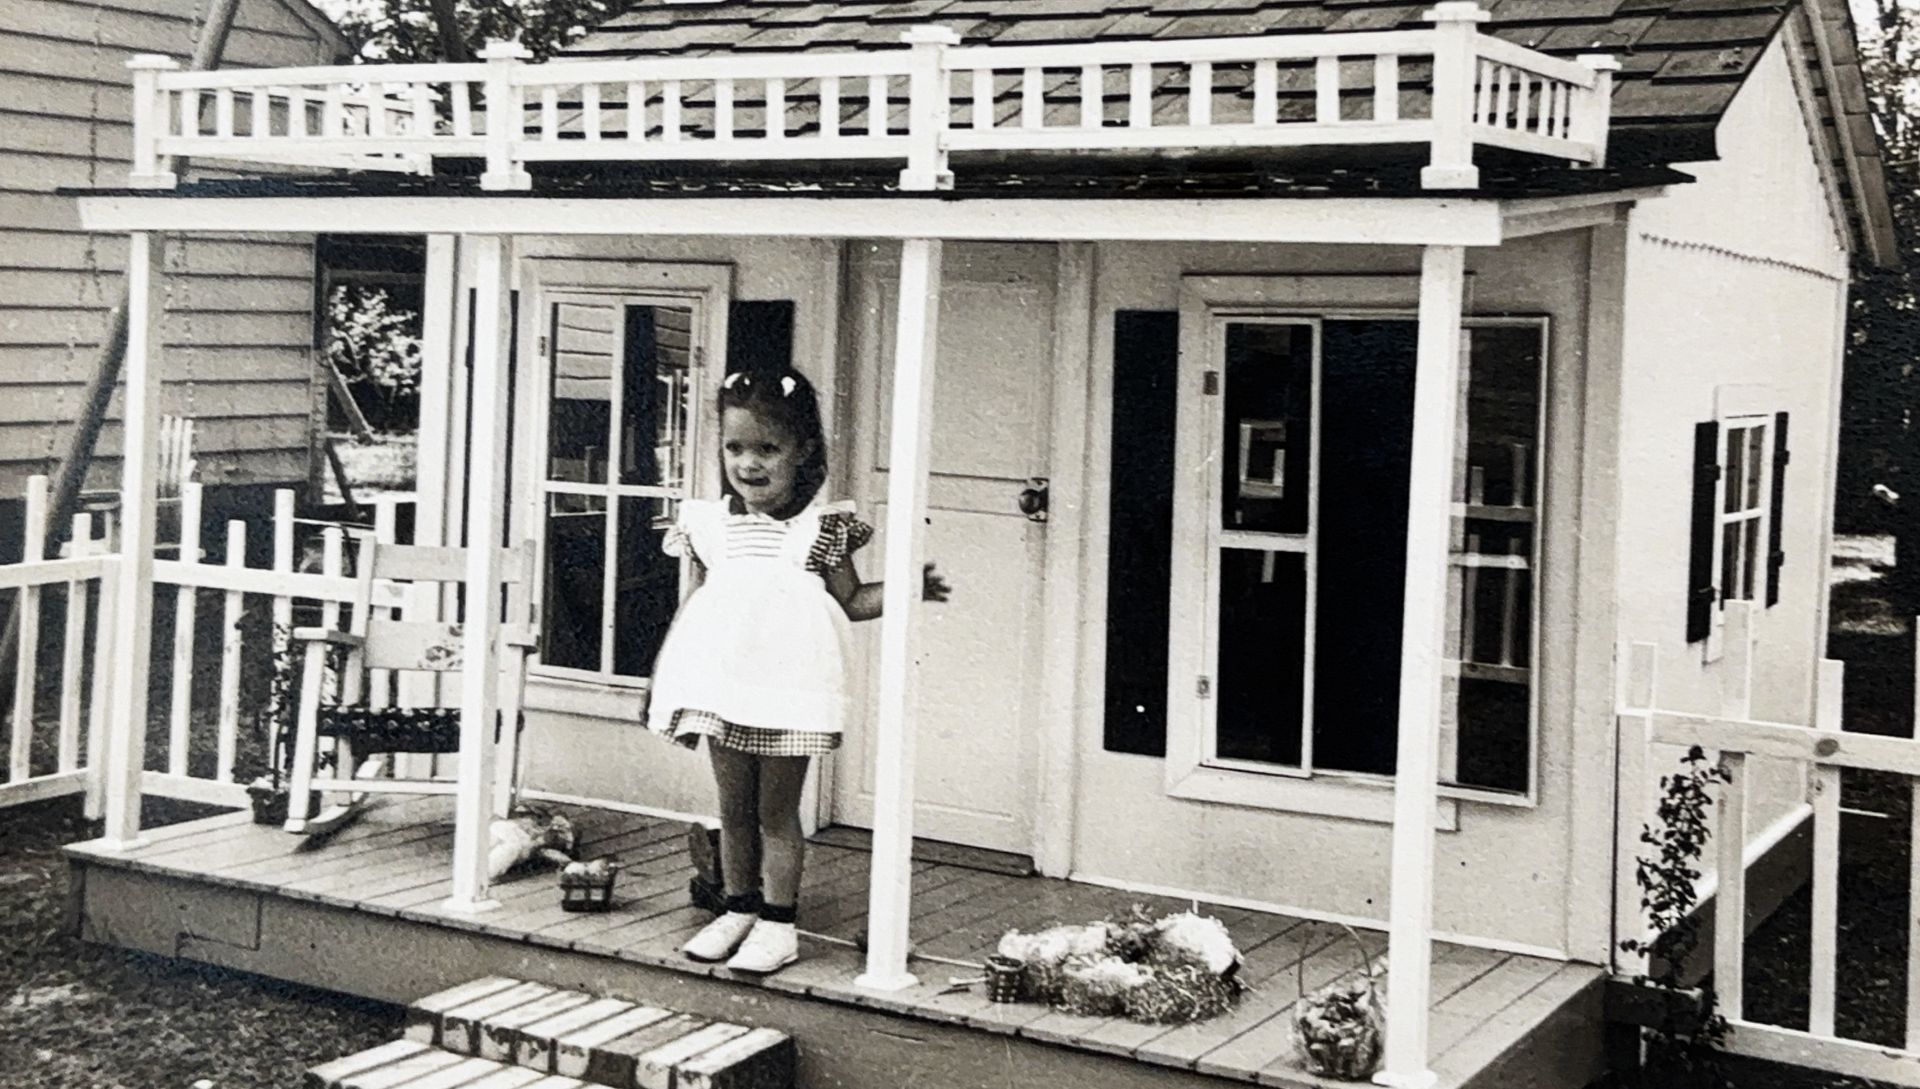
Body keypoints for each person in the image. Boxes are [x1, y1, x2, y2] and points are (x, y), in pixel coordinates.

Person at [645, 367, 949, 973]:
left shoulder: (820, 530)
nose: (748, 463)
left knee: (775, 813)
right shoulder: (710, 527)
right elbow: (697, 609)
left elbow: (852, 601)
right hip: (721, 685)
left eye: (767, 448)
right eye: (735, 448)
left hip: (788, 690)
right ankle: (738, 908)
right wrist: (665, 680)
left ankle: (779, 925)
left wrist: (909, 586)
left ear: (803, 451)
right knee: (733, 809)